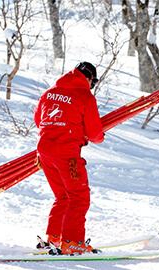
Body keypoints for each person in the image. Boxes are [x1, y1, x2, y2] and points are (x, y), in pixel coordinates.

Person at [34, 62, 104, 254]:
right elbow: (95, 134)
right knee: (79, 197)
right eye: (94, 82)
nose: (93, 85)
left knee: (63, 196)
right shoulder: (85, 96)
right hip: (66, 154)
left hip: (44, 151)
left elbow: (38, 119)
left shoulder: (50, 92)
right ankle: (72, 242)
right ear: (89, 78)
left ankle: (54, 238)